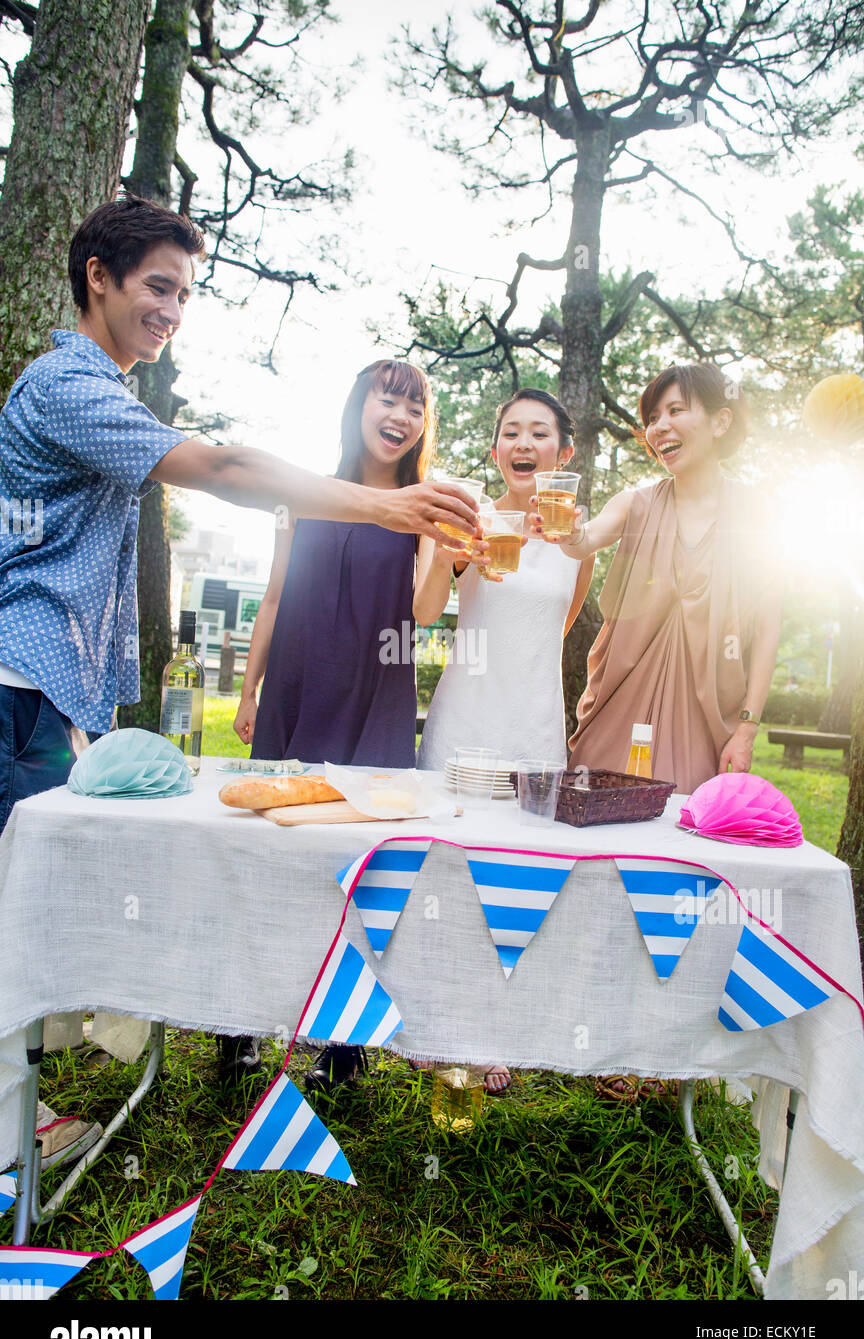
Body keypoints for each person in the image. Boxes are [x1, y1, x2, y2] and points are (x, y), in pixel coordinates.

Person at [0, 194, 477, 1103]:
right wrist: (385, 505)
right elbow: (220, 470)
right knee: (14, 899)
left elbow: (417, 616)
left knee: (27, 897)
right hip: (16, 677)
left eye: (185, 294)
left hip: (48, 687)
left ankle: (24, 1114)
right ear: (97, 278)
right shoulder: (69, 389)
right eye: (158, 287)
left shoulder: (106, 393)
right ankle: (11, 1139)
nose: (173, 312)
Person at [234, 358, 437, 1092]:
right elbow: (274, 594)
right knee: (269, 857)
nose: (401, 416)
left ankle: (344, 1045)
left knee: (360, 868)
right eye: (389, 398)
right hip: (295, 686)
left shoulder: (422, 508)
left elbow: (423, 614)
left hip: (375, 698)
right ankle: (240, 1027)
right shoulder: (304, 495)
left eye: (415, 407)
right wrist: (251, 689)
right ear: (360, 406)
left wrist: (442, 541)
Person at [415, 388, 594, 1094]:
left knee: (518, 877)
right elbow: (425, 612)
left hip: (533, 725)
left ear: (564, 453)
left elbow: (556, 629)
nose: (523, 443)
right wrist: (446, 558)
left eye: (539, 432)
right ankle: (430, 1022)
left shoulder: (578, 542)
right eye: (510, 432)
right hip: (466, 716)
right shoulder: (471, 519)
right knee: (445, 872)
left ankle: (494, 1030)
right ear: (496, 452)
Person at [534, 364, 781, 796]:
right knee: (598, 836)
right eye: (651, 418)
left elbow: (768, 628)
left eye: (675, 411)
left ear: (721, 421)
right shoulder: (636, 504)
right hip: (618, 709)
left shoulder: (756, 515)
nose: (658, 427)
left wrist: (746, 730)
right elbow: (584, 540)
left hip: (706, 722)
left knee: (684, 844)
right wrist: (569, 532)